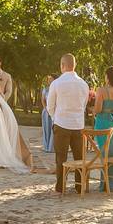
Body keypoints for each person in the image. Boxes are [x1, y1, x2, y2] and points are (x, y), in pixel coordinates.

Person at [48, 53, 90, 193]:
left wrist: (55, 118)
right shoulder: (84, 84)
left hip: (61, 123)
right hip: (78, 125)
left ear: (62, 66)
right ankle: (79, 186)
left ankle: (61, 186)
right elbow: (84, 105)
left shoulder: (56, 83)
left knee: (61, 157)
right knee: (79, 157)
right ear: (74, 65)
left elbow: (50, 105)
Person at [40, 74, 55, 153]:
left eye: (51, 79)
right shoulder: (45, 89)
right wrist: (46, 108)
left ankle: (52, 147)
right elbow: (43, 100)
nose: (49, 80)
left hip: (55, 112)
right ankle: (46, 146)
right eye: (48, 79)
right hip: (46, 111)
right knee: (46, 128)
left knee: (53, 129)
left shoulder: (57, 88)